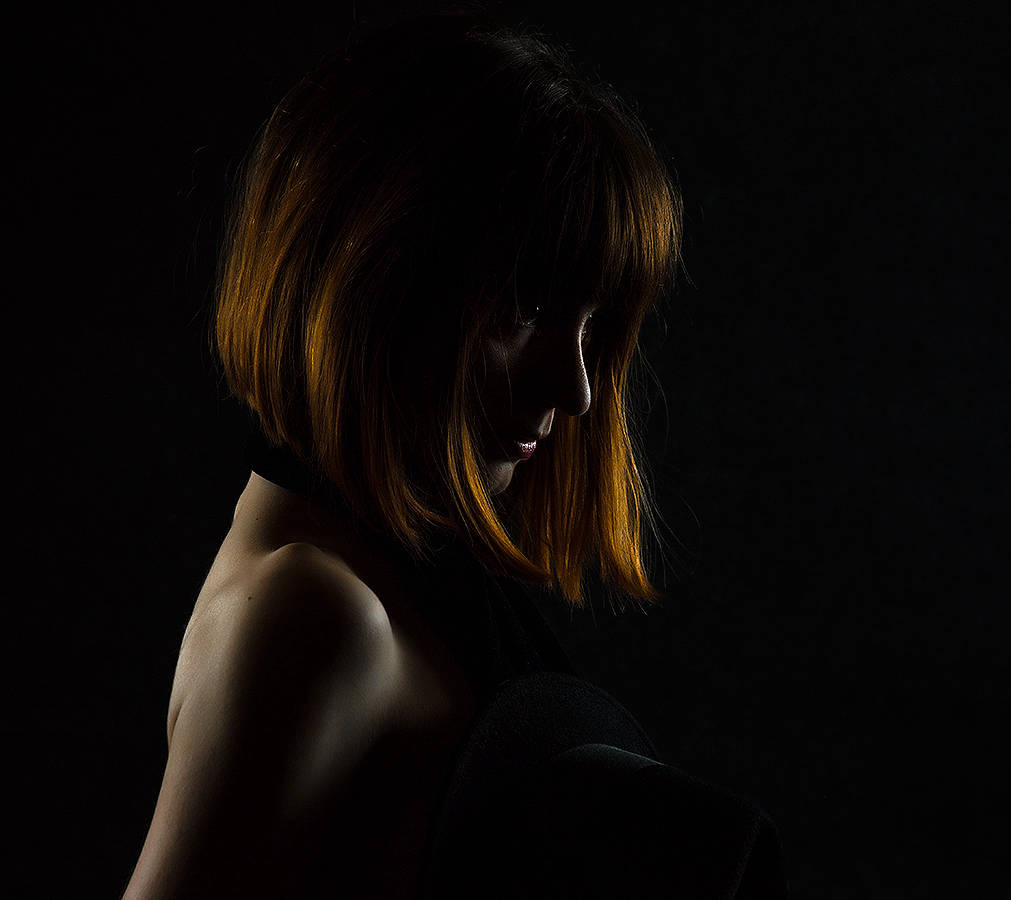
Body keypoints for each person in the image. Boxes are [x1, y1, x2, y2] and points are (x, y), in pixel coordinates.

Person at [123, 10, 785, 898]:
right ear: (374, 284)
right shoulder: (314, 617)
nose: (577, 390)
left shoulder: (394, 587)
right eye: (524, 308)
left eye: (592, 323)